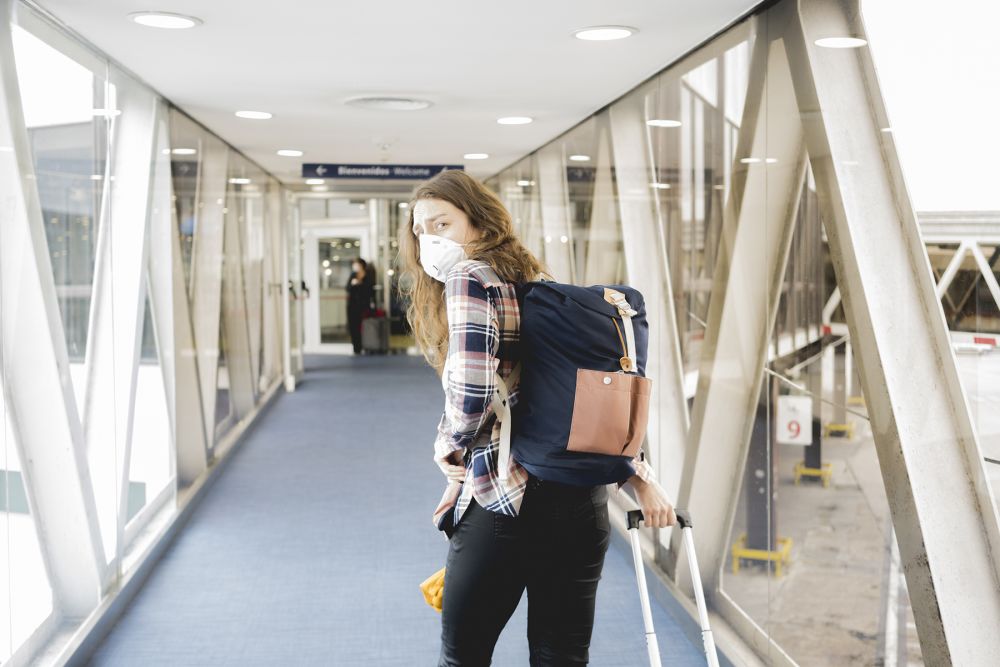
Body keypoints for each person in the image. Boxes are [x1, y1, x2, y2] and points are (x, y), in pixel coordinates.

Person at [398, 169, 677, 666]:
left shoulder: (470, 277)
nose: (428, 240)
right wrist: (637, 473)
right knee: (561, 656)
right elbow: (596, 394)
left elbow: (472, 392)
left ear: (479, 226)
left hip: (506, 498)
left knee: (464, 656)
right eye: (419, 231)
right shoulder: (539, 281)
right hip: (580, 500)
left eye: (441, 225)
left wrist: (448, 445)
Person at [346, 258, 374, 354]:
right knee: (353, 326)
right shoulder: (353, 275)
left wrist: (360, 284)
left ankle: (366, 346)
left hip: (363, 306)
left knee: (364, 327)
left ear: (362, 265)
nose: (355, 266)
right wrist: (352, 284)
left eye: (357, 264)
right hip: (352, 305)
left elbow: (370, 291)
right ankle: (356, 348)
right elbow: (347, 289)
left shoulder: (368, 276)